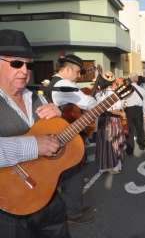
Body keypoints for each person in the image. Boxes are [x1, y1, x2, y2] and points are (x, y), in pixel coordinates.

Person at [0, 29, 70, 237]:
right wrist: (34, 145)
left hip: (48, 201)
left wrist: (60, 120)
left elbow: (58, 141)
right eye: (16, 63)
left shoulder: (37, 97)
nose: (24, 71)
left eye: (29, 65)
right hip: (8, 211)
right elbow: (39, 144)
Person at [44, 54, 97, 224]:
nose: (79, 76)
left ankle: (70, 209)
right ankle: (74, 213)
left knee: (65, 176)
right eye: (77, 72)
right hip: (68, 137)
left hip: (57, 137)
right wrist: (94, 96)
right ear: (66, 69)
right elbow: (89, 103)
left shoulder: (51, 83)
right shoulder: (63, 84)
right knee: (75, 174)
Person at [95, 75, 127, 174]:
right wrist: (122, 113)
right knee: (114, 142)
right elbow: (115, 109)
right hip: (113, 120)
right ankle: (114, 166)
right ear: (112, 82)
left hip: (102, 120)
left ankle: (103, 167)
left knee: (103, 143)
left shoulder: (98, 94)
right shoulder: (114, 94)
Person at [124, 73, 145, 155]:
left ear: (130, 79)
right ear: (137, 79)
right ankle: (142, 145)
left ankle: (130, 149)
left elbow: (122, 101)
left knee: (130, 130)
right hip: (138, 110)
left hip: (128, 110)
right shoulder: (142, 90)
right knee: (139, 128)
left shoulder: (125, 89)